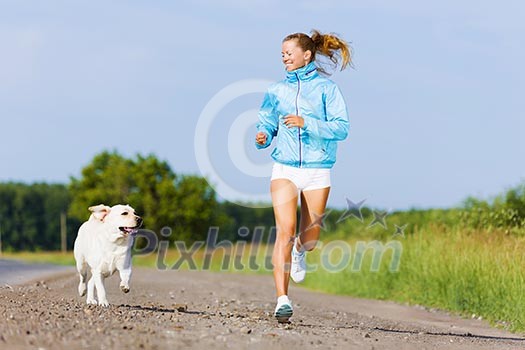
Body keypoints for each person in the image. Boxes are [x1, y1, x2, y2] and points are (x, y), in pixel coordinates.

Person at [255, 29, 352, 323]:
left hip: (317, 168)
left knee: (309, 238)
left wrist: (306, 123)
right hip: (284, 167)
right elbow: (267, 121)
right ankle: (282, 300)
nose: (284, 57)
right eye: (282, 53)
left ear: (306, 55)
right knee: (284, 231)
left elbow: (341, 128)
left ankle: (301, 249)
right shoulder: (275, 90)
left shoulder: (327, 90)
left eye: (289, 52)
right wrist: (263, 136)